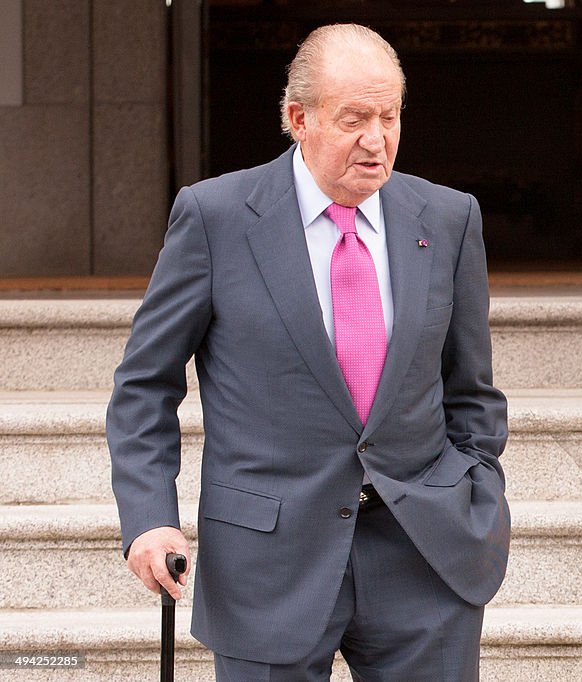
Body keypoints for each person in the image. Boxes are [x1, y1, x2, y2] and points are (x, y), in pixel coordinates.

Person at [107, 24, 509, 681]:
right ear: (299, 118)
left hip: (425, 556)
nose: (377, 141)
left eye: (390, 116)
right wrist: (151, 519)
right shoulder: (216, 217)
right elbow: (144, 388)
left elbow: (471, 391)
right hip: (267, 565)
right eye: (354, 119)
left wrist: (475, 490)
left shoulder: (447, 218)